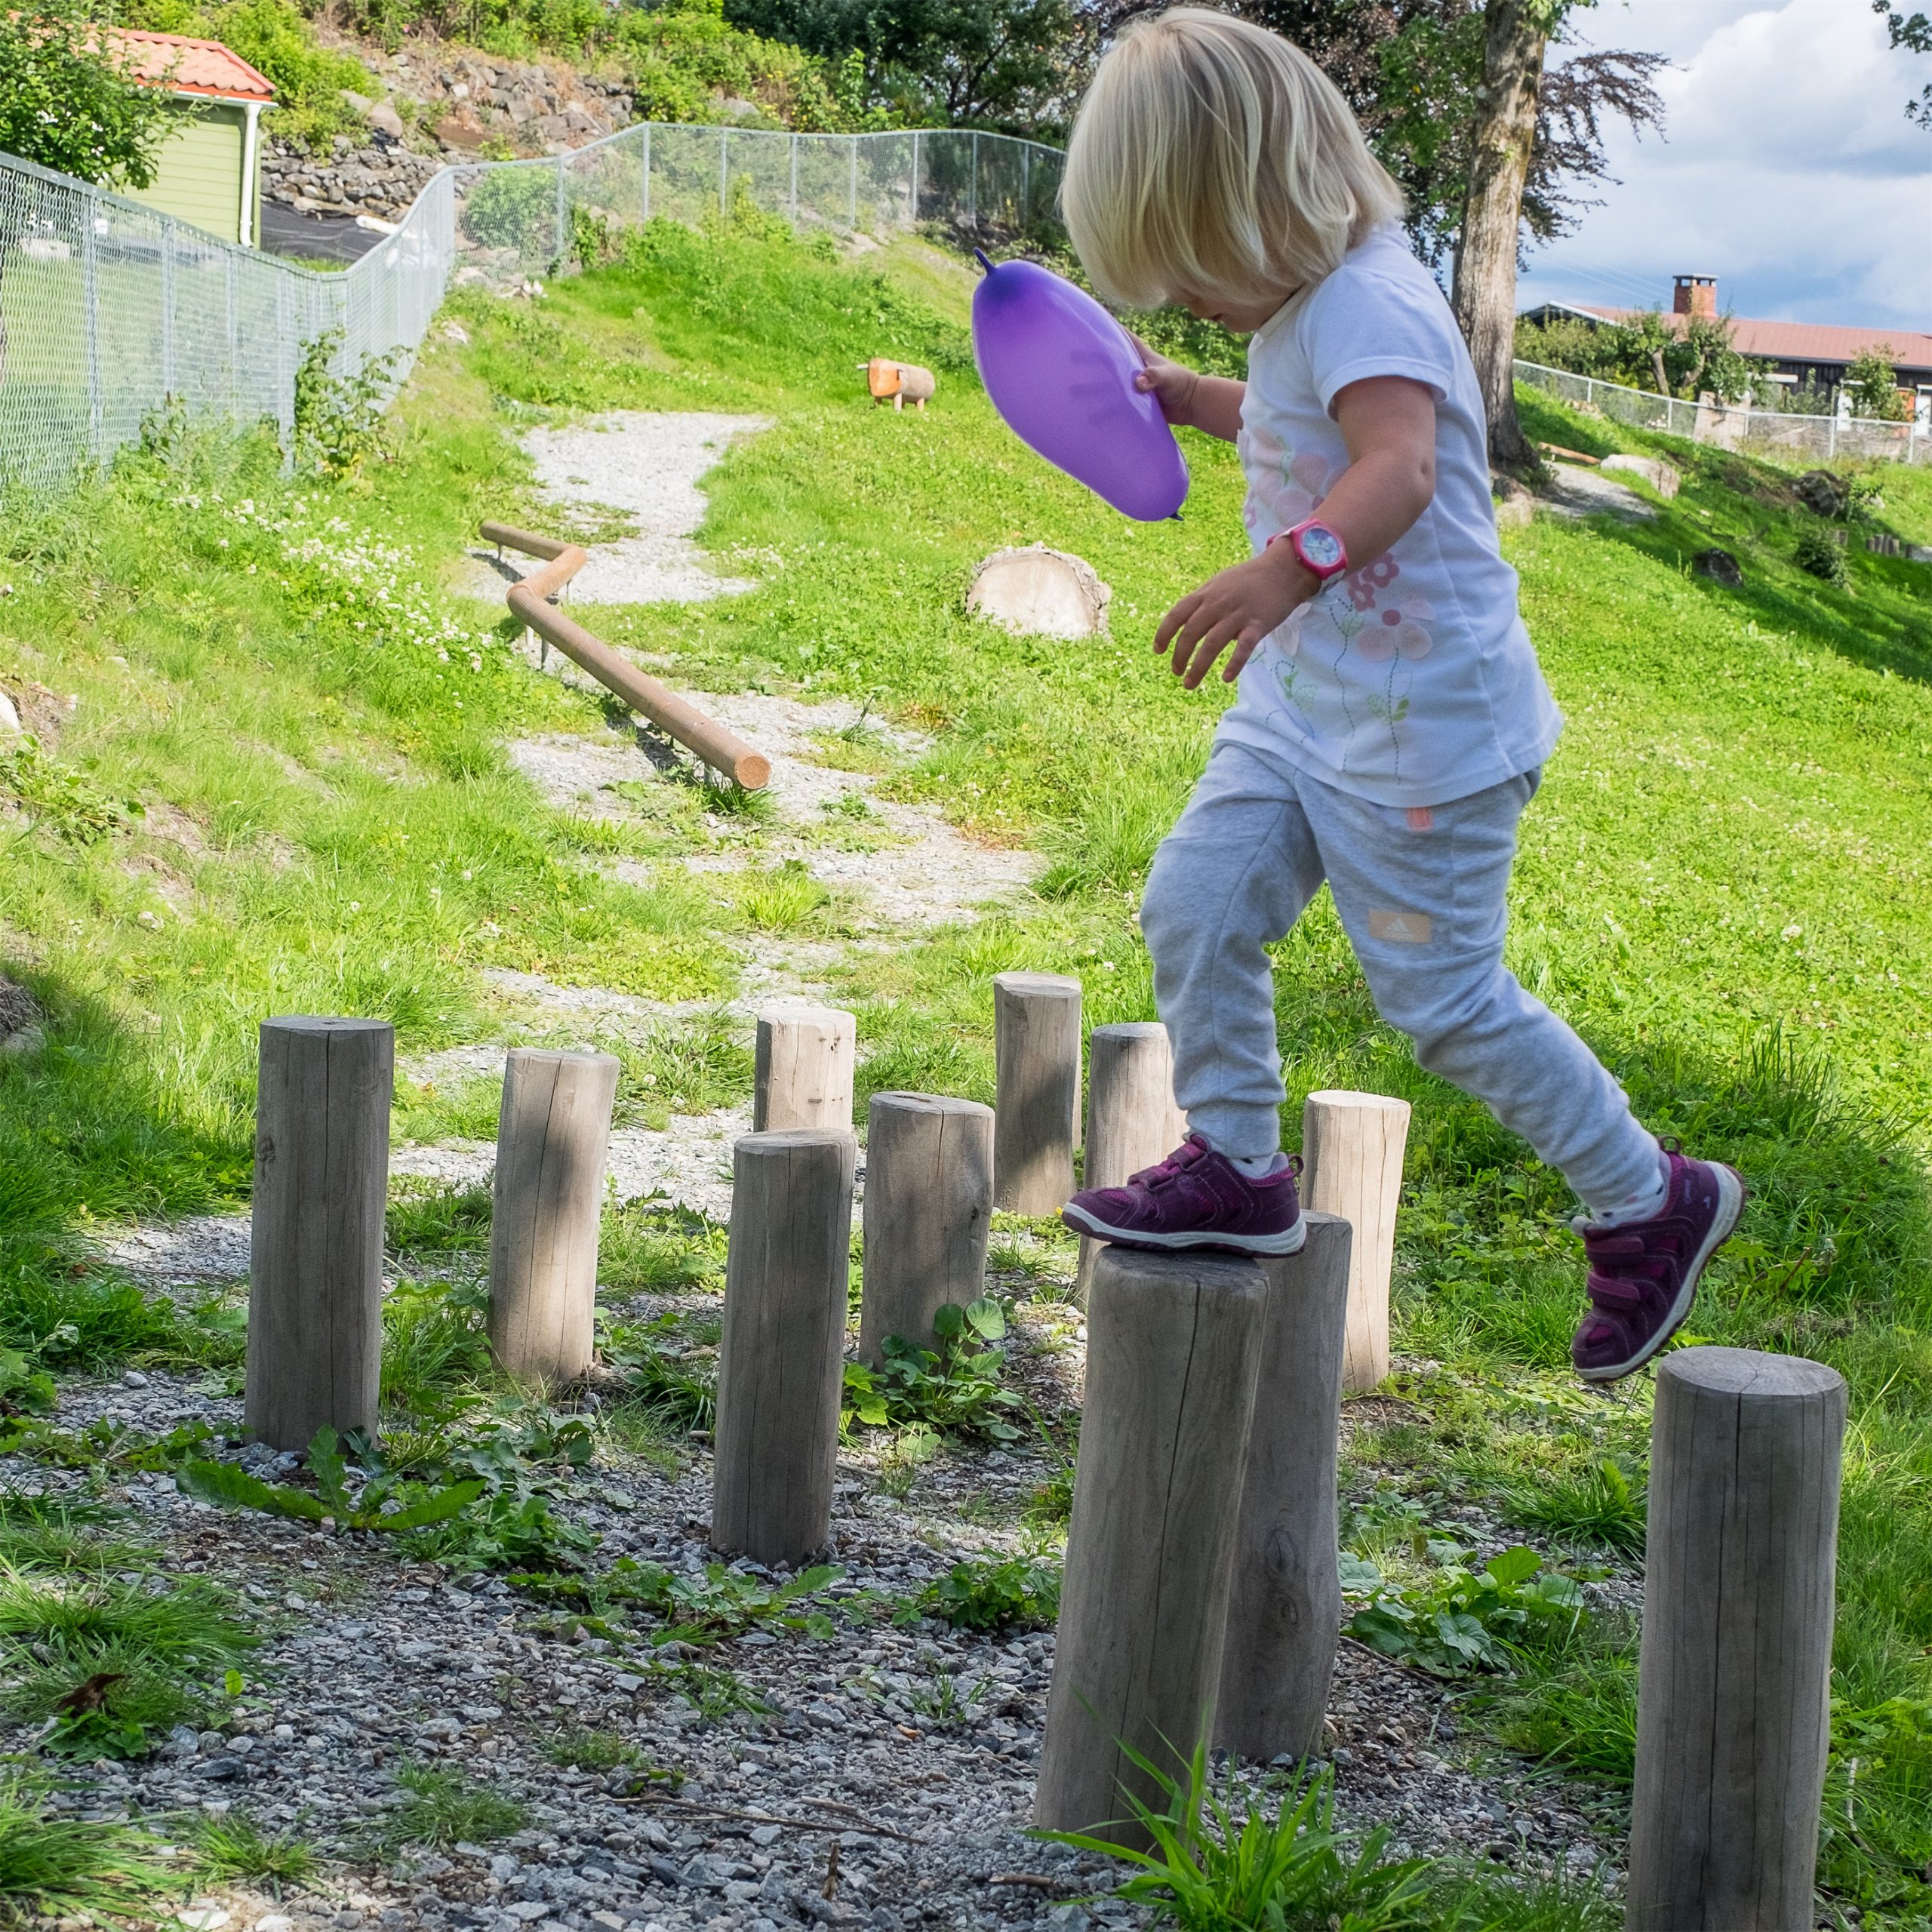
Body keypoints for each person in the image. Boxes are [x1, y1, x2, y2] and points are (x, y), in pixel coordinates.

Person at [1054, 8, 1743, 1382]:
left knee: (1445, 1003)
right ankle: (1240, 1165)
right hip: (1308, 711)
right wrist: (1195, 394)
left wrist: (1283, 568)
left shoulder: (1370, 295)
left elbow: (1399, 465)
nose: (1191, 303)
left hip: (1428, 732)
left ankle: (1648, 1198)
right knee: (1195, 899)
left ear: (1261, 202)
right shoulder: (1304, 306)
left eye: (1194, 275)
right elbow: (1298, 413)